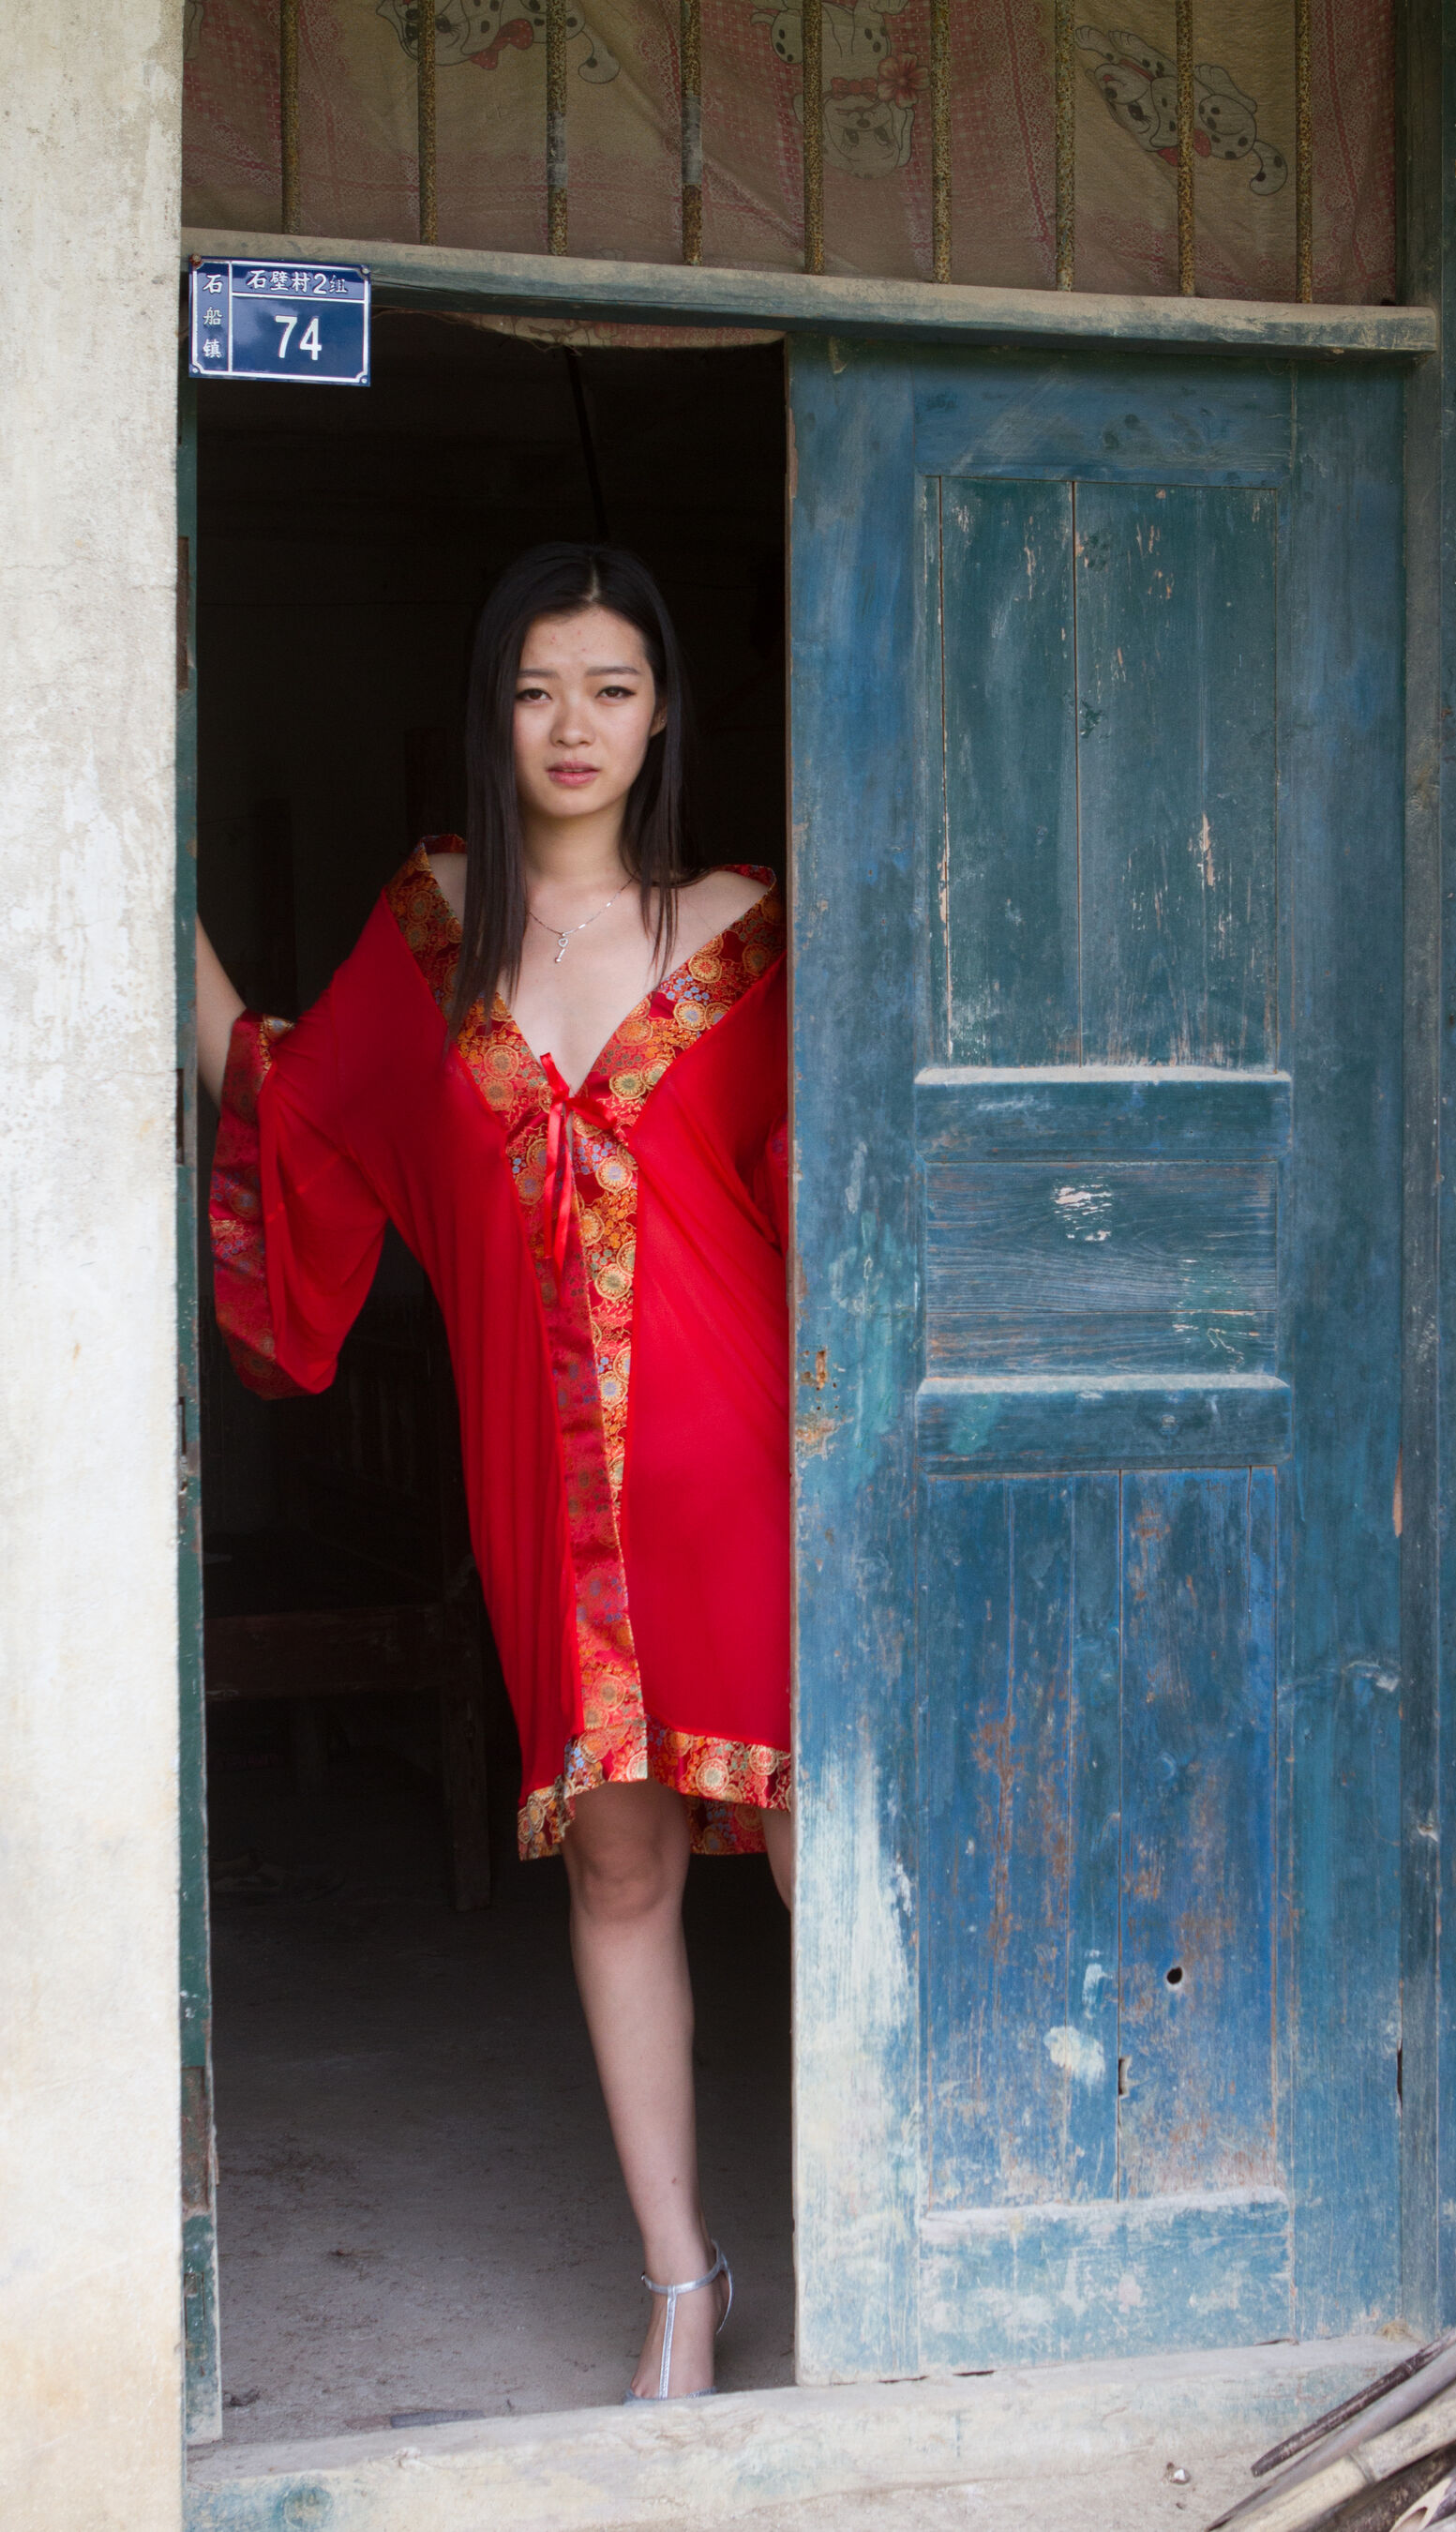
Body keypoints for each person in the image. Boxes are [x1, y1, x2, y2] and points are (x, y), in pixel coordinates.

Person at [196, 543, 791, 2403]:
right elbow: (295, 1110)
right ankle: (681, 2282)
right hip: (547, 1496)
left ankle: (911, 2253)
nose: (572, 725)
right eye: (537, 688)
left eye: (611, 686)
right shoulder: (436, 929)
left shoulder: (757, 931)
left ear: (663, 712)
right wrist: (134, 880)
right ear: (494, 711)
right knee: (616, 1868)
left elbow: (864, 1193)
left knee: (823, 1854)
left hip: (748, 1482)